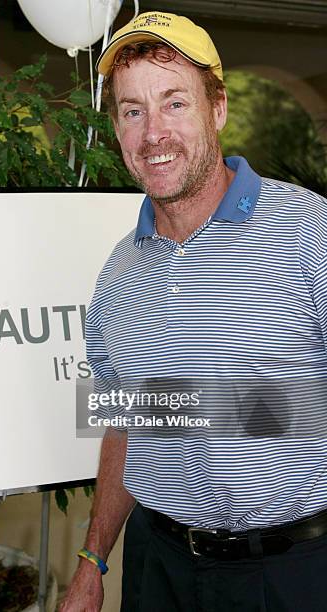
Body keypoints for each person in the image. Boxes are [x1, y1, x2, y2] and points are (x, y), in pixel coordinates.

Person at [60, 11, 327, 612]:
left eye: (175, 103)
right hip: (159, 570)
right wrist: (93, 558)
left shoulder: (311, 234)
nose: (154, 133)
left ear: (219, 110)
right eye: (133, 111)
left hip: (293, 574)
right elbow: (125, 425)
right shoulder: (118, 278)